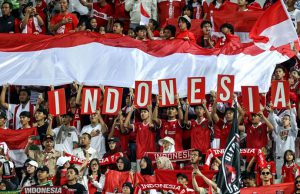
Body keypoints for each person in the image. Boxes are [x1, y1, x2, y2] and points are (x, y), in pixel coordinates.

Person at [268, 103, 298, 179]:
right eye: (283, 119)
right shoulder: (278, 129)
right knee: (280, 179)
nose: (284, 120)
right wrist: (271, 112)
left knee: (292, 179)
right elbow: (273, 121)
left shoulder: (293, 131)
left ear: (290, 121)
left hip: (290, 159)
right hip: (279, 159)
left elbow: (294, 123)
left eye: (286, 119)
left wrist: (290, 110)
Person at [124, 105, 156, 170]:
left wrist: (150, 110)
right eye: (141, 112)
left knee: (149, 177)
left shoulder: (153, 124)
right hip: (139, 155)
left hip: (150, 155)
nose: (142, 113)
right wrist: (131, 111)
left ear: (149, 114)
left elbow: (151, 125)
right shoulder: (138, 125)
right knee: (139, 177)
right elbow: (125, 125)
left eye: (144, 112)